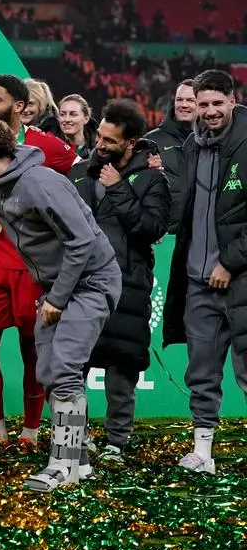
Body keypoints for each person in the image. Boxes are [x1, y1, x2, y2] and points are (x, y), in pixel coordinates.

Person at [0, 117, 120, 491]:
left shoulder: (40, 183)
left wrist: (57, 299)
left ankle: (62, 465)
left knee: (62, 368)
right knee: (49, 369)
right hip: (59, 285)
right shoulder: (1, 184)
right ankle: (77, 462)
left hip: (91, 283)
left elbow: (81, 242)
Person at [0, 74, 77, 448]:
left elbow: (82, 164)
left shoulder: (46, 147)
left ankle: (31, 431)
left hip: (29, 267)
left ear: (20, 107)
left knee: (32, 349)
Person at [70, 99, 169, 463]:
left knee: (121, 370)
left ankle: (116, 442)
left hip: (129, 286)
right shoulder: (80, 172)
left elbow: (152, 228)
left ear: (131, 143)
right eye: (99, 136)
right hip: (82, 285)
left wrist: (118, 189)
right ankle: (75, 438)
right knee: (73, 367)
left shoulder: (152, 179)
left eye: (110, 141)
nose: (101, 145)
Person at [161, 69, 247, 475]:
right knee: (201, 371)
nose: (210, 111)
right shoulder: (192, 145)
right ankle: (203, 452)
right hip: (198, 280)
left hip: (241, 278)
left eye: (218, 103)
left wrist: (229, 262)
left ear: (233, 100)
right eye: (204, 104)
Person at [145, 78, 196, 210]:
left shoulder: (211, 140)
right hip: (166, 225)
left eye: (190, 100)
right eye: (179, 100)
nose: (183, 104)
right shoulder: (152, 140)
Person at [55, 94, 98, 160]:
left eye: (73, 114)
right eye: (62, 114)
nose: (67, 119)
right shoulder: (50, 144)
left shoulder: (99, 147)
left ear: (86, 118)